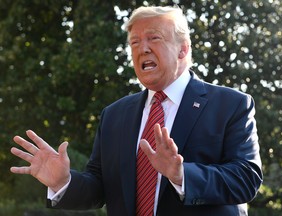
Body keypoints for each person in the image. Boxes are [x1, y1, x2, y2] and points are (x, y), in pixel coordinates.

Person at [10, 5, 263, 216]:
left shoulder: (231, 105)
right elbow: (98, 188)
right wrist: (63, 182)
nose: (142, 49)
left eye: (154, 38)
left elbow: (246, 178)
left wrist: (181, 174)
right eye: (134, 42)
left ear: (183, 49)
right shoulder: (114, 115)